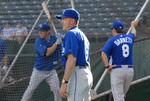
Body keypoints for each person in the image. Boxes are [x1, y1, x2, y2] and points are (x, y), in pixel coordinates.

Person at [56, 9, 93, 101]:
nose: (61, 22)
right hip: (87, 74)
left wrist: (65, 82)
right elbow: (88, 63)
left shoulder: (71, 34)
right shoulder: (82, 35)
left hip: (76, 74)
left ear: (72, 21)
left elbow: (72, 60)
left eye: (64, 19)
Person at [21, 23, 62, 101]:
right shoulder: (38, 41)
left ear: (48, 32)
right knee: (30, 89)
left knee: (56, 90)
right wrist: (57, 43)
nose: (40, 32)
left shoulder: (53, 37)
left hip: (51, 71)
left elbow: (64, 38)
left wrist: (61, 36)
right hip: (39, 71)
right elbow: (47, 53)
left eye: (42, 31)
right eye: (39, 31)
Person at [101, 19, 139, 101]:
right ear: (122, 30)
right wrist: (133, 26)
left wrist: (107, 66)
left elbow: (103, 53)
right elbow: (134, 34)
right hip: (129, 71)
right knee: (121, 96)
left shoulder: (112, 40)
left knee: (118, 98)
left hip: (117, 70)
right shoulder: (129, 38)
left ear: (114, 30)